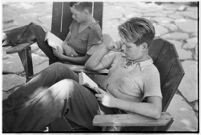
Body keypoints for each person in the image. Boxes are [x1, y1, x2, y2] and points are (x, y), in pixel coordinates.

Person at [3, 17, 162, 132]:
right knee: (58, 68)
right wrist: (107, 48)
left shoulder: (150, 72)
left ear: (144, 47)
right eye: (123, 45)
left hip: (108, 114)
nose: (124, 49)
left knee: (67, 89)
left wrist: (115, 102)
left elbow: (155, 110)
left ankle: (9, 127)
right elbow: (90, 65)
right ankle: (5, 109)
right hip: (97, 95)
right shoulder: (121, 56)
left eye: (128, 46)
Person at [4, 2, 102, 65]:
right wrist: (65, 45)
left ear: (85, 12)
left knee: (34, 29)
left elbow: (87, 60)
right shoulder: (77, 21)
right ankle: (5, 38)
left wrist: (63, 56)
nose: (73, 16)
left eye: (75, 14)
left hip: (68, 61)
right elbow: (66, 41)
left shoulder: (94, 30)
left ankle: (4, 38)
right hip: (59, 50)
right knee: (34, 27)